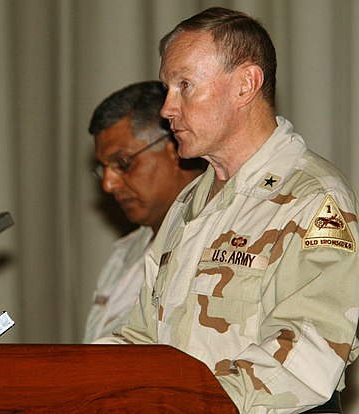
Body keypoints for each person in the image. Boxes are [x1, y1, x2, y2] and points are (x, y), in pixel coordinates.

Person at [96, 7, 359, 414]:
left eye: (185, 85)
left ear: (245, 85)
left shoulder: (313, 197)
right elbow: (143, 337)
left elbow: (305, 355)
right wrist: (65, 377)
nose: (167, 108)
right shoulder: (189, 203)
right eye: (168, 88)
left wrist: (184, 406)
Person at [83, 81, 206, 343]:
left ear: (175, 150)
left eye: (122, 164)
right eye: (103, 169)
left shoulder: (214, 238)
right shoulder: (126, 252)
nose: (108, 184)